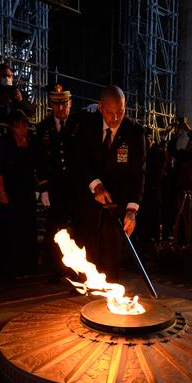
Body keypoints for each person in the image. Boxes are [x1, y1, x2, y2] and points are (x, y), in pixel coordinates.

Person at [73, 85, 146, 280]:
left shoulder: (135, 133)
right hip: (90, 199)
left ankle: (111, 294)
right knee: (89, 245)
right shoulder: (87, 126)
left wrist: (132, 210)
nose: (115, 119)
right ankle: (88, 288)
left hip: (118, 203)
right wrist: (95, 184)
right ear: (100, 107)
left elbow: (138, 174)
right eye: (109, 113)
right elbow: (80, 160)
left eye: (120, 113)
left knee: (112, 248)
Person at [36, 84, 78, 275]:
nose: (61, 109)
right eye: (56, 105)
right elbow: (40, 160)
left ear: (70, 103)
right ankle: (54, 268)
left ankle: (76, 270)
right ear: (51, 104)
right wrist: (43, 187)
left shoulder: (79, 124)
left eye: (64, 104)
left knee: (76, 228)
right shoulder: (43, 128)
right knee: (55, 228)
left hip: (75, 186)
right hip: (54, 187)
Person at [0, 109, 39, 278]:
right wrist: (1, 190)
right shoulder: (4, 142)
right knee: (11, 228)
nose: (23, 129)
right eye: (19, 126)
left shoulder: (31, 140)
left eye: (25, 125)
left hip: (27, 190)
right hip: (10, 189)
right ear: (12, 127)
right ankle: (10, 269)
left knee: (27, 228)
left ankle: (27, 267)